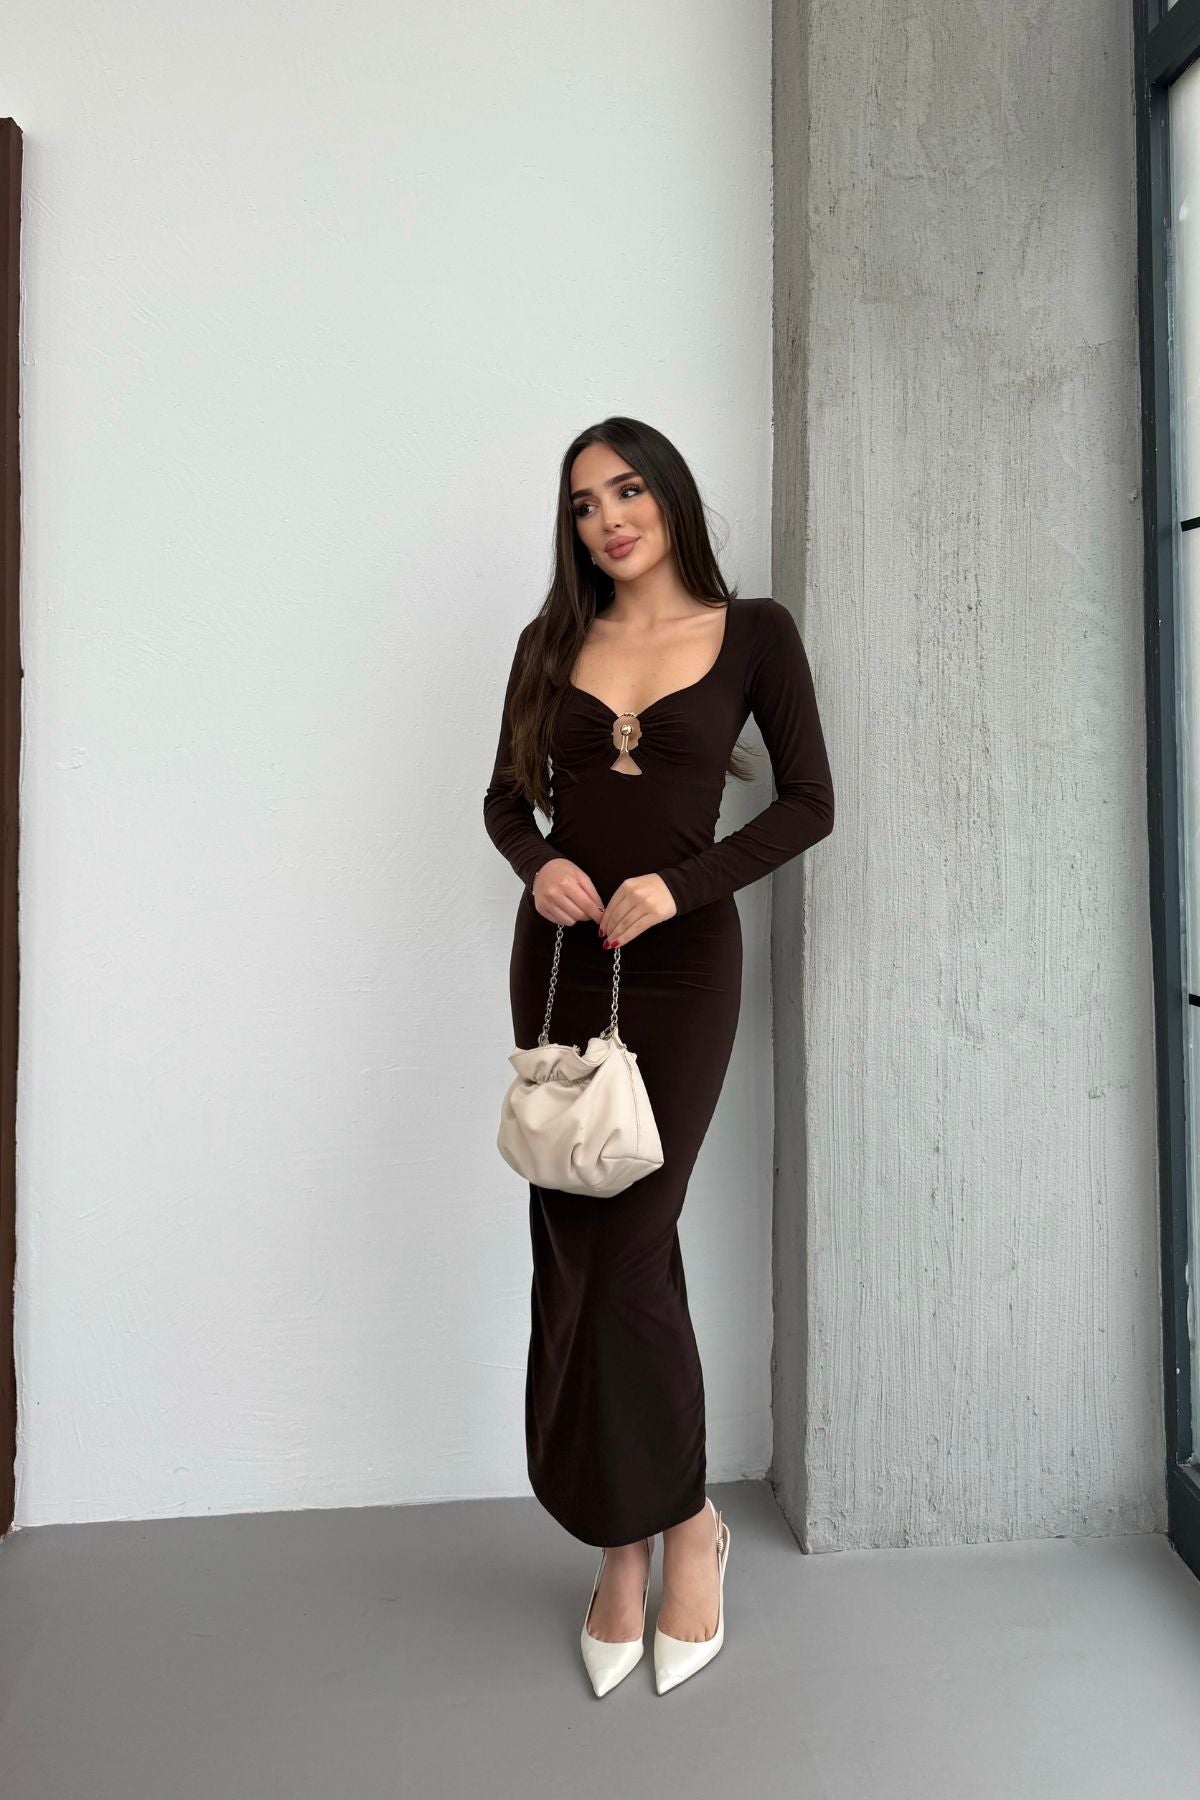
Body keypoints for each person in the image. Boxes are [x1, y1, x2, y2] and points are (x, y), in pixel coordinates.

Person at [483, 415, 835, 1695]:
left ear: (670, 495)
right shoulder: (552, 641)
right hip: (564, 966)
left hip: (682, 973)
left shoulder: (756, 634)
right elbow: (504, 799)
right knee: (576, 1252)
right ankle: (624, 1544)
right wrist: (540, 864)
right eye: (583, 504)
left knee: (630, 1247)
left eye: (627, 490)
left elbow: (810, 802)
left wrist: (683, 887)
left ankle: (685, 1527)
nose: (608, 519)